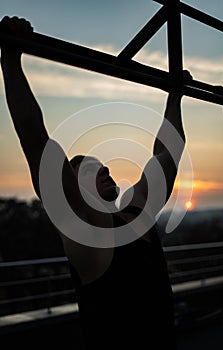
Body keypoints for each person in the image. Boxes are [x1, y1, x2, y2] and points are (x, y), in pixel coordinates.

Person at [0, 16, 196, 350]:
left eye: (104, 166)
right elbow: (35, 138)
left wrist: (174, 96)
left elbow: (168, 154)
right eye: (91, 171)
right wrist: (10, 60)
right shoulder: (86, 234)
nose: (105, 171)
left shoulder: (138, 214)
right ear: (74, 189)